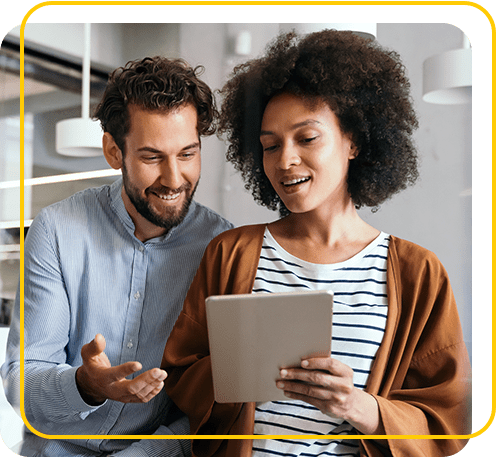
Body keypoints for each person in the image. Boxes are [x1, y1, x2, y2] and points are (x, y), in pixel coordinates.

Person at [162, 30, 472, 457]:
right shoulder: (231, 253)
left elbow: (448, 420)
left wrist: (361, 407)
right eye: (270, 146)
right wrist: (241, 368)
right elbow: (180, 373)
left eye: (306, 138)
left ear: (354, 141)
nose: (285, 160)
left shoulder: (419, 273)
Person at [1, 56, 233, 457]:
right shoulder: (56, 229)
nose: (174, 179)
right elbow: (22, 382)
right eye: (151, 157)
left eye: (187, 154)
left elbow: (214, 398)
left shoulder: (221, 246)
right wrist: (86, 385)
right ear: (113, 151)